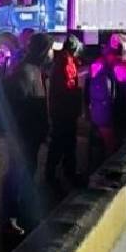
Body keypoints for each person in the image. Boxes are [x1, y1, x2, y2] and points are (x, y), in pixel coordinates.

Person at [2, 31, 51, 235]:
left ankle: (23, 214)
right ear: (42, 51)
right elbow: (18, 107)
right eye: (48, 50)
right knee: (18, 173)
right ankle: (12, 218)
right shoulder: (25, 72)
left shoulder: (34, 70)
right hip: (24, 135)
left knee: (27, 173)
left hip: (31, 134)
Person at [45, 34, 83, 188]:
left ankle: (66, 172)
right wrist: (78, 94)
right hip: (64, 111)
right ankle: (55, 174)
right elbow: (68, 88)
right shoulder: (66, 62)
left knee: (65, 143)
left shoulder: (64, 60)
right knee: (61, 143)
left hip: (63, 110)